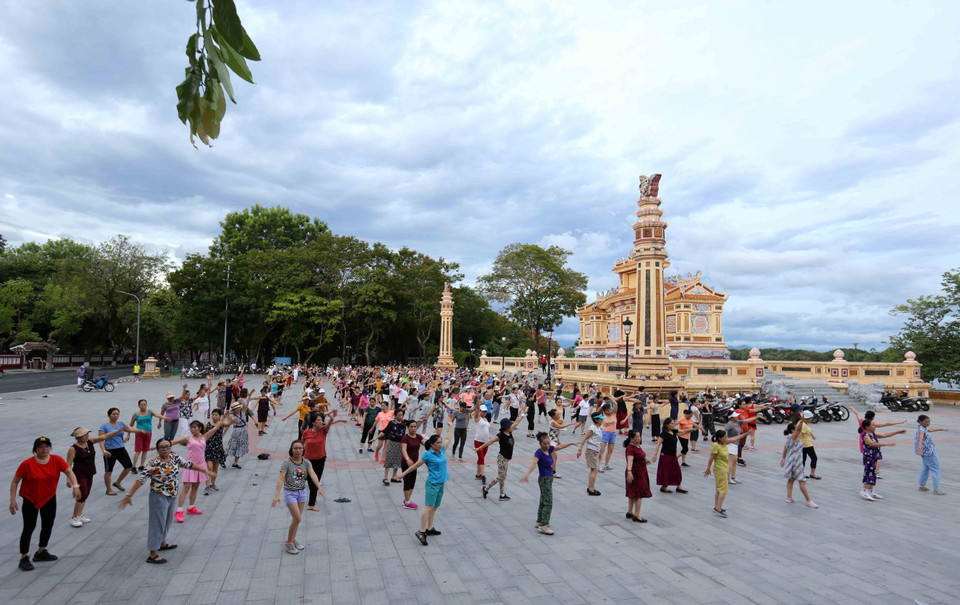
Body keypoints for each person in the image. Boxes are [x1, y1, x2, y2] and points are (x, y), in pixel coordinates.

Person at [118, 437, 212, 563]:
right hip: (159, 495)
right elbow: (141, 479)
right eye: (162, 448)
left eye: (167, 447)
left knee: (167, 521)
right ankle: (153, 553)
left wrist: (203, 470)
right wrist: (129, 495)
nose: (165, 449)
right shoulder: (153, 463)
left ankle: (162, 543)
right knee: (157, 523)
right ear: (157, 450)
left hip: (172, 495)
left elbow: (187, 464)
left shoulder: (174, 457)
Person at [10, 437, 82, 571]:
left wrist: (75, 486)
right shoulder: (27, 464)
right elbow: (15, 481)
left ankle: (41, 551)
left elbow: (69, 471)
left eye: (47, 446)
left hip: (49, 497)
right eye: (41, 447)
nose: (44, 449)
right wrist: (13, 500)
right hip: (30, 498)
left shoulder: (56, 460)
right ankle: (24, 557)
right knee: (29, 527)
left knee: (48, 524)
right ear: (35, 449)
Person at [396, 427, 454, 546]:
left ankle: (429, 528)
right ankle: (421, 531)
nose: (440, 444)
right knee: (428, 507)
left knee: (434, 507)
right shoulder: (427, 455)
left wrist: (450, 425)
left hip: (441, 483)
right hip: (432, 483)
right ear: (431, 444)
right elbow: (415, 466)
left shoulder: (442, 450)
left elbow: (448, 438)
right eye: (437, 443)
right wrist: (403, 474)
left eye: (440, 442)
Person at [164, 419, 231, 522]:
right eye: (191, 428)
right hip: (190, 465)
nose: (192, 429)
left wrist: (224, 417)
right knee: (186, 488)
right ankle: (179, 510)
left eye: (195, 427)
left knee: (195, 487)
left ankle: (191, 507)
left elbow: (216, 427)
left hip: (201, 465)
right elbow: (173, 442)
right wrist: (157, 447)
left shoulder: (205, 437)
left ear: (200, 428)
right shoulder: (188, 439)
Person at [271, 440, 324, 555]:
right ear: (291, 450)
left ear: (303, 449)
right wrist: (277, 495)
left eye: (300, 448)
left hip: (302, 493)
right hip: (290, 493)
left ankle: (293, 540)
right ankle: (288, 543)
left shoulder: (306, 462)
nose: (298, 450)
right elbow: (281, 479)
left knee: (297, 519)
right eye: (295, 448)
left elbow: (313, 474)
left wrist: (318, 487)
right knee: (297, 518)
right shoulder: (287, 463)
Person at [520, 432, 576, 535]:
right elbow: (534, 464)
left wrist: (571, 443)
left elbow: (559, 447)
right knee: (548, 501)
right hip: (544, 479)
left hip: (549, 478)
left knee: (543, 499)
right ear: (540, 443)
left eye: (548, 443)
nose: (547, 445)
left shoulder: (550, 449)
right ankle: (544, 525)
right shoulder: (539, 453)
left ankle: (539, 521)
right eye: (544, 444)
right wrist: (527, 474)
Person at [66, 425, 123, 527]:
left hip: (90, 472)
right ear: (78, 437)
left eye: (87, 434)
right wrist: (69, 479)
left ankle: (79, 514)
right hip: (79, 474)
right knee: (82, 494)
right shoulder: (73, 449)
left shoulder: (90, 442)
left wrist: (118, 431)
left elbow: (103, 437)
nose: (87, 436)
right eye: (84, 435)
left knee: (86, 494)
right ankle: (74, 517)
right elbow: (68, 465)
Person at [477, 406, 527, 501]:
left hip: (506, 458)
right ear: (506, 427)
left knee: (503, 476)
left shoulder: (510, 432)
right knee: (501, 476)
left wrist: (523, 414)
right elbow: (490, 441)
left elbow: (516, 422)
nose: (511, 425)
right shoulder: (501, 435)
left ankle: (502, 494)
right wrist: (479, 448)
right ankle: (486, 488)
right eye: (509, 425)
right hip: (502, 458)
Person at [302, 410, 346, 511]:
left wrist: (332, 416)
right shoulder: (306, 432)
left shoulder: (323, 431)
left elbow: (330, 423)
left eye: (321, 420)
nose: (320, 422)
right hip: (308, 460)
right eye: (318, 420)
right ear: (313, 422)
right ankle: (312, 499)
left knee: (316, 481)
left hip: (320, 460)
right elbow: (302, 444)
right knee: (310, 481)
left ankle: (311, 503)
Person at [99, 407, 145, 495]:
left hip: (121, 449)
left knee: (128, 466)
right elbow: (100, 439)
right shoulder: (104, 426)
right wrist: (103, 450)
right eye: (113, 414)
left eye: (117, 414)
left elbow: (130, 429)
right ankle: (108, 489)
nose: (116, 416)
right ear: (109, 415)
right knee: (109, 471)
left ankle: (118, 482)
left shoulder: (121, 424)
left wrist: (141, 430)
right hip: (110, 450)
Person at [703, 428, 748, 517]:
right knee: (723, 489)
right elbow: (711, 457)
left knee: (719, 488)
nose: (726, 438)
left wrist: (746, 434)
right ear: (720, 438)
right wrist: (708, 468)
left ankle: (717, 506)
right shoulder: (716, 446)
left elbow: (735, 438)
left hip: (724, 468)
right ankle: (718, 508)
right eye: (724, 437)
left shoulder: (725, 443)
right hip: (720, 469)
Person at [858, 418, 905, 501]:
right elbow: (871, 443)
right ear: (867, 427)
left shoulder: (872, 434)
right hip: (869, 456)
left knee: (873, 473)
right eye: (872, 425)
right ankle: (864, 491)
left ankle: (870, 490)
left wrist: (897, 432)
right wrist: (886, 444)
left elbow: (885, 435)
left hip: (874, 456)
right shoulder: (865, 435)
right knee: (868, 472)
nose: (874, 426)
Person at [781, 415, 818, 508]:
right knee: (802, 481)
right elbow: (798, 430)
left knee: (791, 479)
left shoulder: (790, 437)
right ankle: (808, 500)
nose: (800, 430)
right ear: (793, 430)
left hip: (791, 461)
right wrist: (801, 421)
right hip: (795, 462)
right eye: (797, 429)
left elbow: (785, 448)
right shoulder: (793, 437)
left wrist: (783, 458)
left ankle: (789, 497)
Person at [652, 417, 694, 494]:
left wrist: (691, 429)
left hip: (673, 455)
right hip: (665, 455)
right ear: (667, 425)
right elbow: (658, 444)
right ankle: (664, 487)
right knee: (666, 471)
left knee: (677, 470)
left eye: (673, 423)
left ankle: (678, 486)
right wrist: (655, 455)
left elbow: (682, 432)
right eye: (672, 423)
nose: (673, 425)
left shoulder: (674, 432)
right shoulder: (664, 433)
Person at [623, 429, 652, 523]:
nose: (639, 438)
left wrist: (646, 459)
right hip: (636, 473)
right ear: (631, 439)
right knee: (638, 494)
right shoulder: (630, 449)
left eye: (639, 436)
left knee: (632, 493)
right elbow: (629, 461)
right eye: (637, 437)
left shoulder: (637, 446)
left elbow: (641, 454)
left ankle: (630, 512)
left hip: (641, 472)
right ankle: (637, 515)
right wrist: (629, 472)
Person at [916, 414, 948, 495]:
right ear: (920, 421)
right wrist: (920, 448)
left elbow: (930, 430)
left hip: (925, 452)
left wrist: (940, 429)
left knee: (926, 467)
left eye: (929, 421)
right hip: (928, 452)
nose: (928, 423)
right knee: (936, 469)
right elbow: (920, 439)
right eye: (926, 422)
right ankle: (937, 489)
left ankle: (922, 484)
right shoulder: (922, 430)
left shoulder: (922, 428)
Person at [203, 409, 231, 495]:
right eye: (213, 415)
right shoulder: (206, 425)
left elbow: (229, 423)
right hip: (209, 448)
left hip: (218, 448)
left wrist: (227, 416)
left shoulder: (221, 424)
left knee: (215, 468)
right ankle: (207, 486)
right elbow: (203, 435)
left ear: (219, 416)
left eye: (216, 415)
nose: (214, 416)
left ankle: (212, 483)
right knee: (209, 467)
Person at [576, 413, 604, 496]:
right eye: (601, 419)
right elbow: (584, 438)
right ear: (596, 420)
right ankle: (591, 489)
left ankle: (590, 487)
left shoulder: (598, 428)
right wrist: (580, 449)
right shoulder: (592, 428)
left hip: (595, 450)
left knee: (593, 470)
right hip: (591, 451)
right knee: (594, 470)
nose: (602, 420)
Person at [131, 399, 163, 472]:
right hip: (139, 434)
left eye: (144, 404)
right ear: (138, 406)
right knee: (138, 450)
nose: (143, 406)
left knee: (145, 450)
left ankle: (142, 465)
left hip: (148, 433)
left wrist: (162, 418)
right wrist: (128, 434)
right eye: (141, 405)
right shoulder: (135, 414)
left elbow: (157, 415)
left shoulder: (150, 412)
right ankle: (134, 466)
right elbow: (131, 425)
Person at [401, 419, 425, 509]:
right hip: (406, 463)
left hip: (415, 464)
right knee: (407, 481)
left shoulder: (418, 436)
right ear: (408, 427)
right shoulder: (405, 438)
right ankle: (407, 502)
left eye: (415, 427)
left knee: (412, 482)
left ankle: (407, 499)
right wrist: (407, 459)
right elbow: (403, 450)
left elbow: (426, 444)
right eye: (411, 427)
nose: (413, 428)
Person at [379, 408, 406, 485]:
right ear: (395, 415)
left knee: (397, 460)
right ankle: (385, 478)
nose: (400, 417)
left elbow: (413, 423)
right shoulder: (392, 423)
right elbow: (384, 431)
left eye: (401, 415)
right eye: (399, 415)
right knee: (389, 459)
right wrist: (376, 438)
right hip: (392, 443)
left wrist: (420, 420)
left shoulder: (404, 422)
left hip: (400, 444)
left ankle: (394, 477)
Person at [225, 391, 251, 469]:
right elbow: (231, 420)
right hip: (236, 431)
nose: (237, 409)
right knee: (232, 446)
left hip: (243, 431)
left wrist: (250, 395)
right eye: (235, 408)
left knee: (240, 447)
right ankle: (222, 458)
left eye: (238, 407)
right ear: (233, 409)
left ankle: (235, 462)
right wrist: (230, 418)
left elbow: (247, 403)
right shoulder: (232, 415)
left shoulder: (242, 412)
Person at [800, 410, 821, 480]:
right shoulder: (803, 425)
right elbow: (800, 433)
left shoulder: (803, 423)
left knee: (803, 459)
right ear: (807, 418)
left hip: (804, 444)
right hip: (807, 444)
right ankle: (812, 473)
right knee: (814, 458)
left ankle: (801, 473)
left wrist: (812, 435)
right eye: (811, 418)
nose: (811, 419)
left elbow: (806, 431)